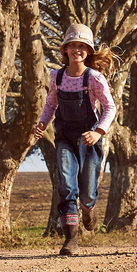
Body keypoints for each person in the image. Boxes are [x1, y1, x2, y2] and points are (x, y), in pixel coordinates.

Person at [33, 24, 116, 256]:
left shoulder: (94, 78)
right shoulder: (56, 76)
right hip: (64, 138)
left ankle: (89, 209)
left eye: (82, 46)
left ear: (88, 51)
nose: (77, 50)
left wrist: (98, 132)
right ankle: (71, 239)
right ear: (66, 49)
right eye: (73, 45)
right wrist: (42, 124)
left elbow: (110, 107)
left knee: (87, 192)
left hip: (89, 139)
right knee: (67, 186)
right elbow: (51, 104)